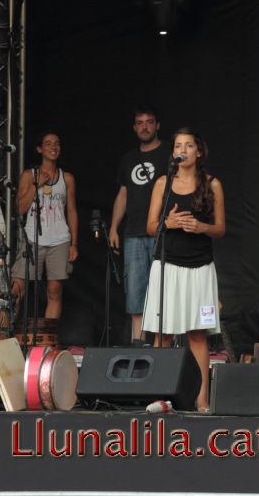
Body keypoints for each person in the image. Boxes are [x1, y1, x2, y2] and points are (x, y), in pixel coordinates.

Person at [142, 128, 225, 412]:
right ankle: (158, 396)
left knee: (197, 336)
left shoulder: (212, 184)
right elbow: (151, 227)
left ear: (199, 151)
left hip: (200, 269)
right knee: (163, 335)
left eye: (189, 145)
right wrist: (170, 223)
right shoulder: (162, 183)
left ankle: (201, 400)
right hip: (167, 267)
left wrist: (201, 227)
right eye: (179, 145)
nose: (184, 149)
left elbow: (221, 228)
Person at [109, 106, 166, 345]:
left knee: (165, 290)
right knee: (135, 292)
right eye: (140, 122)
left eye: (149, 122)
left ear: (157, 126)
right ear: (134, 128)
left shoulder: (169, 156)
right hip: (133, 234)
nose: (145, 126)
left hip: (163, 233)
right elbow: (123, 193)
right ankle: (138, 344)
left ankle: (164, 345)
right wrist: (113, 228)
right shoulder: (129, 159)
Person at [10, 132, 78, 320]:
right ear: (40, 149)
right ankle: (5, 333)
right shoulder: (28, 175)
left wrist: (74, 243)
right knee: (17, 287)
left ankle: (46, 340)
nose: (53, 147)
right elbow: (19, 209)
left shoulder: (67, 178)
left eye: (56, 143)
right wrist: (35, 185)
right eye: (48, 144)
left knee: (54, 290)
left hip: (60, 240)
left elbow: (71, 211)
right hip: (32, 239)